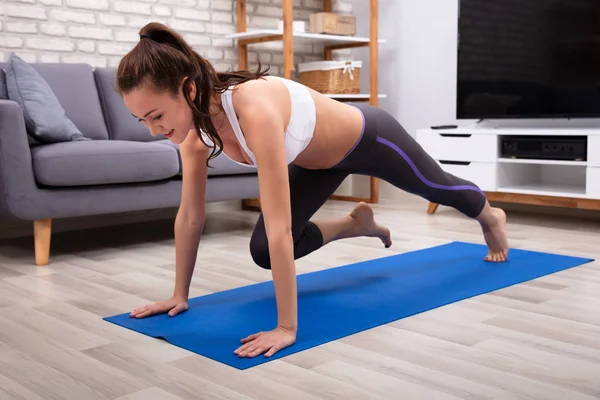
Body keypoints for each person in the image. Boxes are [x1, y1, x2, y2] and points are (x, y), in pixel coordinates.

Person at [118, 22, 509, 359]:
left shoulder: (252, 110)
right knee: (262, 253)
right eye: (142, 120)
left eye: (156, 116)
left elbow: (278, 228)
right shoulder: (194, 136)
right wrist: (178, 294)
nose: (154, 130)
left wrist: (286, 327)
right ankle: (356, 223)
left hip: (369, 138)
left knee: (438, 187)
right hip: (318, 164)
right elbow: (190, 216)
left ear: (187, 90)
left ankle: (490, 215)